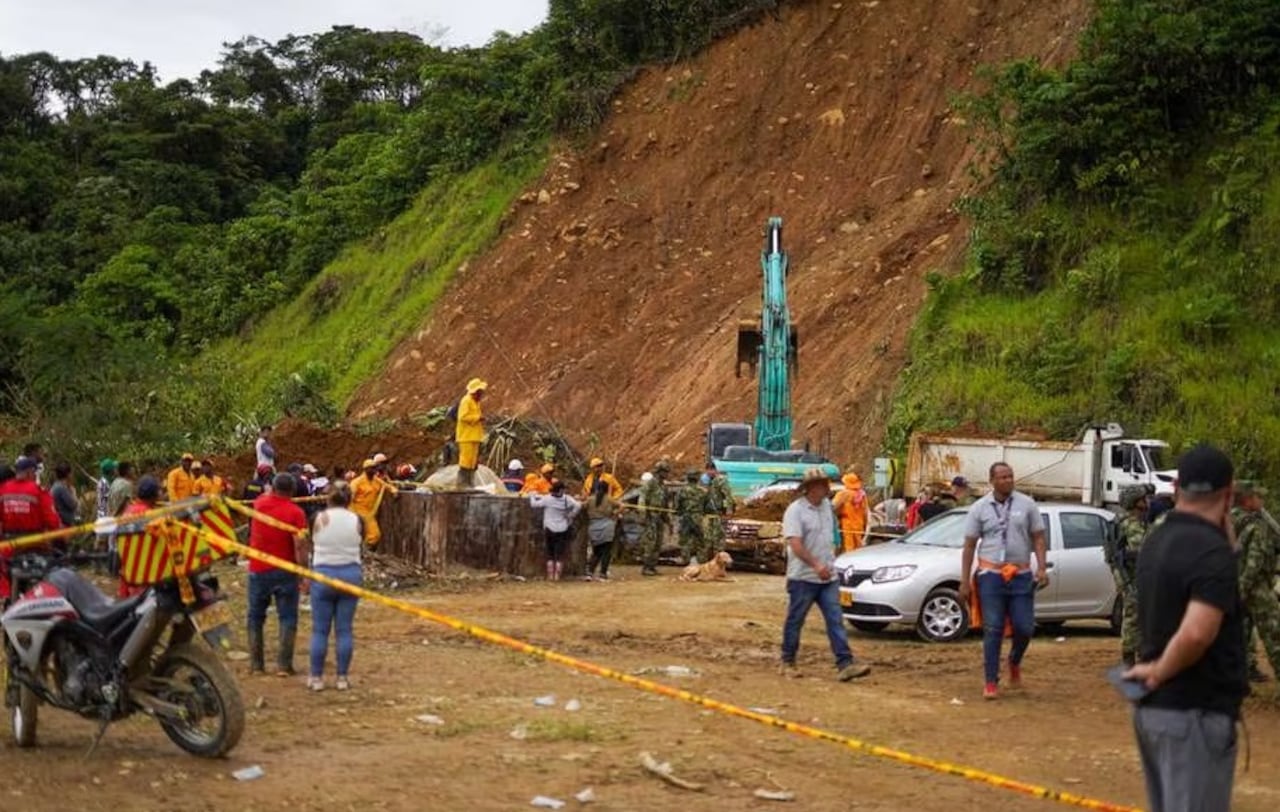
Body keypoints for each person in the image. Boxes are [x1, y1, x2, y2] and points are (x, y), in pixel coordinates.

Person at [1125, 445, 1245, 812]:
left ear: (1177, 487)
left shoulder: (1157, 540)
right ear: (1229, 494)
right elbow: (1196, 633)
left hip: (1156, 712)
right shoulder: (1211, 553)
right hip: (1194, 710)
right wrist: (1160, 671)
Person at [958, 462, 1048, 700]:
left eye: (1010, 476)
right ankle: (990, 681)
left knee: (1025, 627)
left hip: (1020, 575)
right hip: (991, 576)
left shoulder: (1027, 504)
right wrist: (964, 580)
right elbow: (969, 546)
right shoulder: (979, 508)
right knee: (993, 628)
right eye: (1002, 477)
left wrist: (1042, 567)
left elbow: (1038, 537)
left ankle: (1014, 660)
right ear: (992, 480)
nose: (1008, 480)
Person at [779, 468, 871, 682]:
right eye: (822, 484)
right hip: (803, 577)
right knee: (796, 620)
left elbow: (832, 537)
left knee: (835, 619)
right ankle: (787, 661)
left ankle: (845, 663)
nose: (826, 488)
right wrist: (815, 565)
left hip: (827, 577)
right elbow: (795, 543)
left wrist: (830, 562)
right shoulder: (796, 511)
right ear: (811, 487)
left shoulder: (827, 509)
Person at [247, 473, 308, 676]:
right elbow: (300, 546)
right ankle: (283, 666)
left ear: (272, 487)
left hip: (258, 568)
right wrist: (304, 573)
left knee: (255, 617)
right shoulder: (296, 513)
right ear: (292, 491)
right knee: (287, 617)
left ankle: (256, 666)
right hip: (285, 571)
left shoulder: (259, 504)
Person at [308, 483, 364, 691]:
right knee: (344, 630)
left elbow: (311, 541)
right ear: (349, 500)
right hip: (350, 574)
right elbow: (361, 542)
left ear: (327, 498)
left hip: (324, 573)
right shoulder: (358, 520)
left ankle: (316, 678)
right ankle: (342, 678)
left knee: (320, 630)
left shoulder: (318, 519)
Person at [1233, 480, 1280, 683]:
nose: (1261, 500)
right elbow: (1254, 562)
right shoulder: (1257, 524)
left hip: (1232, 584)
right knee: (1275, 635)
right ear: (1247, 500)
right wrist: (1244, 589)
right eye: (1257, 496)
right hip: (1255, 587)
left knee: (1238, 634)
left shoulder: (1228, 519)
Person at [0, 457, 62, 600]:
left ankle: (8, 599)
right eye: (34, 473)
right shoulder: (38, 491)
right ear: (29, 472)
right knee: (54, 571)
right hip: (35, 545)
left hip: (10, 546)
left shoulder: (3, 490)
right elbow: (52, 522)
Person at [1107, 485, 1152, 666]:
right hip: (1131, 576)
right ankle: (1130, 659)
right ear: (1136, 503)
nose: (1146, 502)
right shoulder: (1131, 523)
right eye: (1143, 499)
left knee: (1133, 615)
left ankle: (1134, 656)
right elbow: (1141, 550)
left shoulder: (1121, 520)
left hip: (1127, 574)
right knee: (1134, 616)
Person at [116, 475, 165, 598]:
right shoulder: (150, 515)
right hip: (145, 574)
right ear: (153, 494)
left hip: (128, 573)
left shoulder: (128, 511)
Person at [529, 479, 581, 581]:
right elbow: (578, 505)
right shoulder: (567, 499)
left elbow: (534, 504)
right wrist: (570, 515)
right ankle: (557, 575)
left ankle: (550, 575)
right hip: (562, 528)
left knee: (550, 552)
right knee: (560, 553)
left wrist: (532, 495)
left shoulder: (547, 499)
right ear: (561, 490)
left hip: (549, 528)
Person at [351, 459, 395, 547]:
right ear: (366, 469)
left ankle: (364, 550)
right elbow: (350, 497)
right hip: (357, 510)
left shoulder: (376, 480)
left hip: (369, 512)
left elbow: (387, 486)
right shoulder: (357, 482)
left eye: (375, 468)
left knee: (374, 536)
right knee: (370, 535)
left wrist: (394, 491)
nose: (374, 470)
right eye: (372, 468)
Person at [638, 460, 671, 576]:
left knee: (658, 542)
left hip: (659, 517)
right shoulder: (650, 483)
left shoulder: (663, 486)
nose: (667, 474)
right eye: (665, 472)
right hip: (650, 516)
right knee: (650, 543)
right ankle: (646, 567)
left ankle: (652, 566)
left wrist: (668, 520)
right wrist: (643, 514)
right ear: (659, 472)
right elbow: (642, 498)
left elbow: (665, 503)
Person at [584, 476, 618, 581]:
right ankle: (602, 574)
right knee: (606, 552)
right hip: (607, 526)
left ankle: (589, 572)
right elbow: (622, 506)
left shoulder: (590, 499)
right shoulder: (609, 499)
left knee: (596, 551)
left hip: (593, 526)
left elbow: (582, 507)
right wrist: (614, 514)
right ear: (607, 489)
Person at [455, 378, 487, 488]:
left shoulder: (475, 402)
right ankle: (462, 483)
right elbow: (462, 417)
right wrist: (477, 418)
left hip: (474, 436)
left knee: (473, 461)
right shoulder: (466, 401)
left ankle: (470, 482)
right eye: (480, 392)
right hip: (466, 436)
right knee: (466, 460)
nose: (481, 394)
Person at [701, 463, 734, 562]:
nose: (709, 472)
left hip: (718, 513)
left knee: (718, 538)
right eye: (708, 470)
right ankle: (708, 561)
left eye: (711, 470)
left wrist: (729, 509)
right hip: (708, 514)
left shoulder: (721, 481)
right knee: (707, 538)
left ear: (715, 470)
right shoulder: (706, 481)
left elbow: (728, 495)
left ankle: (719, 561)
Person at [833, 471, 871, 552]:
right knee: (858, 548)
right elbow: (865, 511)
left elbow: (833, 507)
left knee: (848, 548)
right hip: (859, 524)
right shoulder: (862, 494)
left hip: (847, 525)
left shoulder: (843, 494)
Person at [675, 470, 706, 564]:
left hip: (686, 518)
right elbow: (707, 506)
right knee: (701, 540)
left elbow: (677, 506)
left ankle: (685, 560)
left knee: (685, 540)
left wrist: (679, 513)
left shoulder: (682, 491)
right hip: (698, 518)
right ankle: (701, 560)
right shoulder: (703, 491)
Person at [49, 462, 80, 530]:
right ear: (68, 474)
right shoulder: (61, 488)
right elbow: (73, 505)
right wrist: (73, 492)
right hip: (63, 524)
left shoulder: (57, 486)